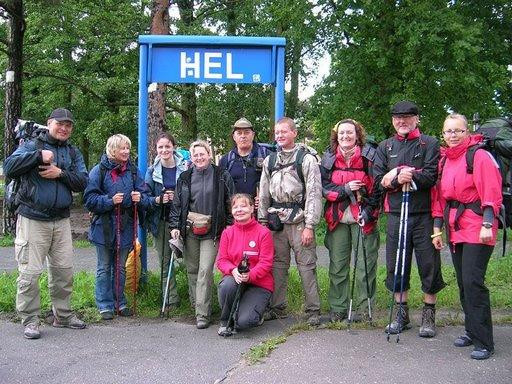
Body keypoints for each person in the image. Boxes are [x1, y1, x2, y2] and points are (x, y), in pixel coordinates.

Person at [4, 107, 88, 339]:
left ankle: (62, 315)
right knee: (29, 273)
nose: (64, 128)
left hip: (61, 220)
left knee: (63, 271)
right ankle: (30, 320)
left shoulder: (72, 152)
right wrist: (38, 157)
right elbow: (9, 167)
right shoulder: (32, 144)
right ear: (49, 123)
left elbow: (82, 181)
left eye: (68, 125)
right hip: (33, 218)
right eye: (59, 123)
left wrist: (60, 173)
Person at [373, 100, 445, 337]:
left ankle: (428, 314)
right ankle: (401, 314)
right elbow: (378, 181)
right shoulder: (385, 146)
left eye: (406, 117)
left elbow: (431, 176)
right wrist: (394, 178)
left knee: (428, 266)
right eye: (397, 118)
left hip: (423, 215)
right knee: (396, 265)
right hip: (396, 214)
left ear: (416, 119)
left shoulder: (430, 143)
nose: (401, 122)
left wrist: (407, 174)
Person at [432, 114, 501, 360]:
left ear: (467, 132)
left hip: (478, 226)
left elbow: (492, 190)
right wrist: (437, 228)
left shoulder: (478, 156)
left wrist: (487, 223)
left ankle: (485, 341)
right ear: (443, 133)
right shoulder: (445, 160)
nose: (453, 136)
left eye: (458, 131)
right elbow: (440, 197)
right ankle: (472, 331)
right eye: (448, 131)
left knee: (473, 282)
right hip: (456, 227)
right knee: (463, 282)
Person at [258, 117, 323, 326]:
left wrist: (310, 226)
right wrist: (262, 222)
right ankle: (278, 308)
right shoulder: (269, 161)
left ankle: (313, 310)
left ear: (294, 133)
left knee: (306, 266)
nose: (279, 136)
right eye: (277, 133)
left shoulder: (306, 159)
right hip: (276, 222)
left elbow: (314, 193)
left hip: (301, 221)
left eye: (284, 132)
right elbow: (264, 193)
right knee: (277, 266)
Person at [320, 119, 381, 323]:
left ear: (357, 135)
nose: (345, 136)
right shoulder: (328, 158)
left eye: (350, 133)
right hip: (337, 218)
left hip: (363, 217)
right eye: (342, 133)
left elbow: (377, 188)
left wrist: (370, 210)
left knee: (365, 265)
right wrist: (345, 189)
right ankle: (338, 307)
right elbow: (323, 188)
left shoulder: (369, 157)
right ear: (336, 136)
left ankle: (364, 309)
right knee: (338, 266)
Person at [169, 140, 234, 329]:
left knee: (205, 271)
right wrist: (174, 226)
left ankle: (202, 314)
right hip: (190, 230)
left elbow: (230, 202)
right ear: (192, 157)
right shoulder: (185, 177)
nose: (199, 157)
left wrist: (229, 226)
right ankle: (197, 304)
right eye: (195, 155)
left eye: (202, 154)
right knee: (192, 270)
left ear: (209, 154)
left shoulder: (222, 175)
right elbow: (177, 205)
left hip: (213, 231)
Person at [84, 134, 149, 320]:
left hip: (126, 225)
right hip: (103, 226)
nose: (126, 152)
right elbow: (89, 199)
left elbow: (143, 192)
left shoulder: (133, 171)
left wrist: (140, 197)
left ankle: (119, 303)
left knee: (120, 267)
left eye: (128, 148)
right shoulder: (99, 171)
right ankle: (104, 305)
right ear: (113, 149)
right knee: (104, 267)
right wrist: (109, 201)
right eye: (122, 148)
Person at [216, 193, 274, 335]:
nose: (239, 210)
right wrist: (233, 270)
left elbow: (266, 263)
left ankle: (254, 312)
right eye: (235, 207)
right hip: (235, 280)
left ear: (251, 209)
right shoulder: (227, 233)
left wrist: (251, 275)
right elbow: (222, 261)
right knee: (226, 285)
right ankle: (225, 321)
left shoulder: (264, 233)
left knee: (244, 322)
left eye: (243, 206)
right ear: (231, 211)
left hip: (258, 284)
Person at [145, 132, 188, 310]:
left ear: (173, 147)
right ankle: (171, 299)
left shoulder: (185, 168)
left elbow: (192, 192)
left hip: (183, 220)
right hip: (161, 220)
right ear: (156, 150)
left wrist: (178, 196)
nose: (164, 150)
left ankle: (195, 298)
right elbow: (145, 197)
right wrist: (158, 199)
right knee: (165, 261)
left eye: (167, 146)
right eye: (161, 147)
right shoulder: (151, 171)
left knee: (189, 260)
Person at [219, 118, 272, 207]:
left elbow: (277, 184)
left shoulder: (267, 156)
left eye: (247, 132)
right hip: (236, 213)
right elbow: (221, 190)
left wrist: (266, 198)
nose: (243, 136)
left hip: (261, 212)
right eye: (239, 133)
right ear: (234, 137)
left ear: (253, 135)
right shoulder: (226, 160)